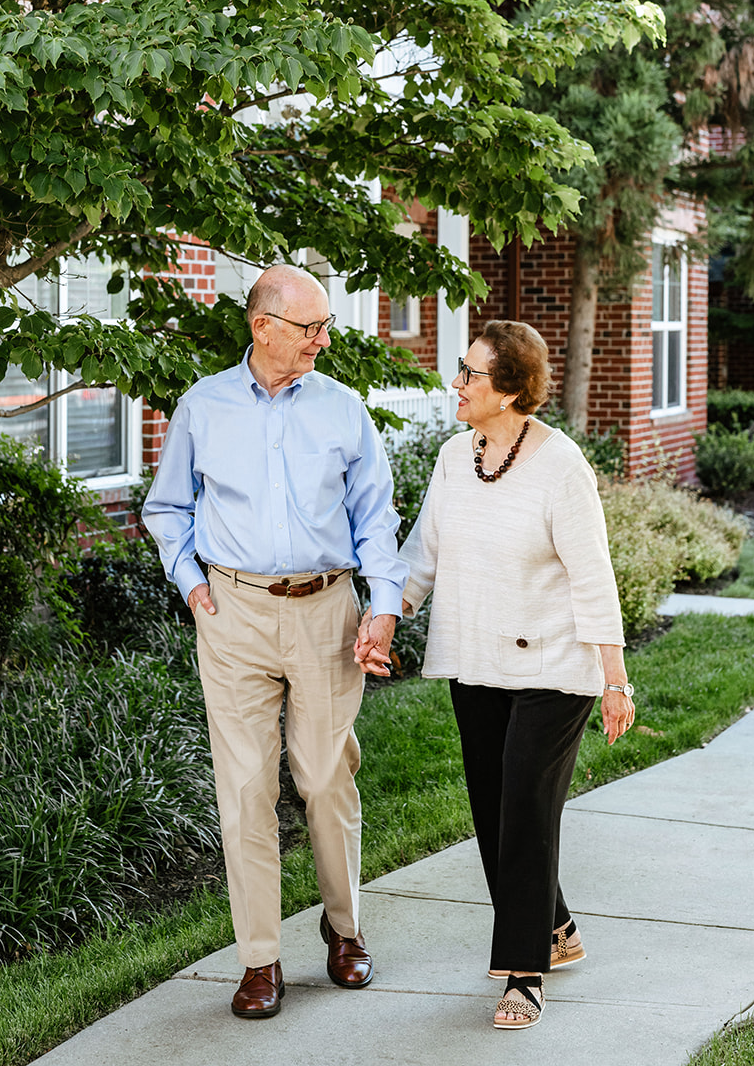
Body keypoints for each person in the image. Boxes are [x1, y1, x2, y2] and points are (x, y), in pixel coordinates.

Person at [143, 263, 406, 1019]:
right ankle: (259, 960)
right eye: (309, 328)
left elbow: (375, 518)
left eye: (325, 326)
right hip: (232, 613)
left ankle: (343, 926)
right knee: (245, 790)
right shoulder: (203, 406)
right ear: (262, 327)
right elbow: (167, 508)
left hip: (327, 610)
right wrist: (189, 581)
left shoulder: (342, 409)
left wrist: (381, 605)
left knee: (324, 778)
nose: (322, 340)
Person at [359, 320, 634, 1032]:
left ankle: (523, 973)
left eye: (471, 374)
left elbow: (591, 573)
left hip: (553, 665)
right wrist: (389, 616)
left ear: (510, 390)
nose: (456, 383)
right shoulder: (457, 457)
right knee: (493, 810)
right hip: (477, 658)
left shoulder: (559, 465)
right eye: (460, 370)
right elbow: (423, 553)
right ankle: (558, 928)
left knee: (524, 810)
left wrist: (613, 676)